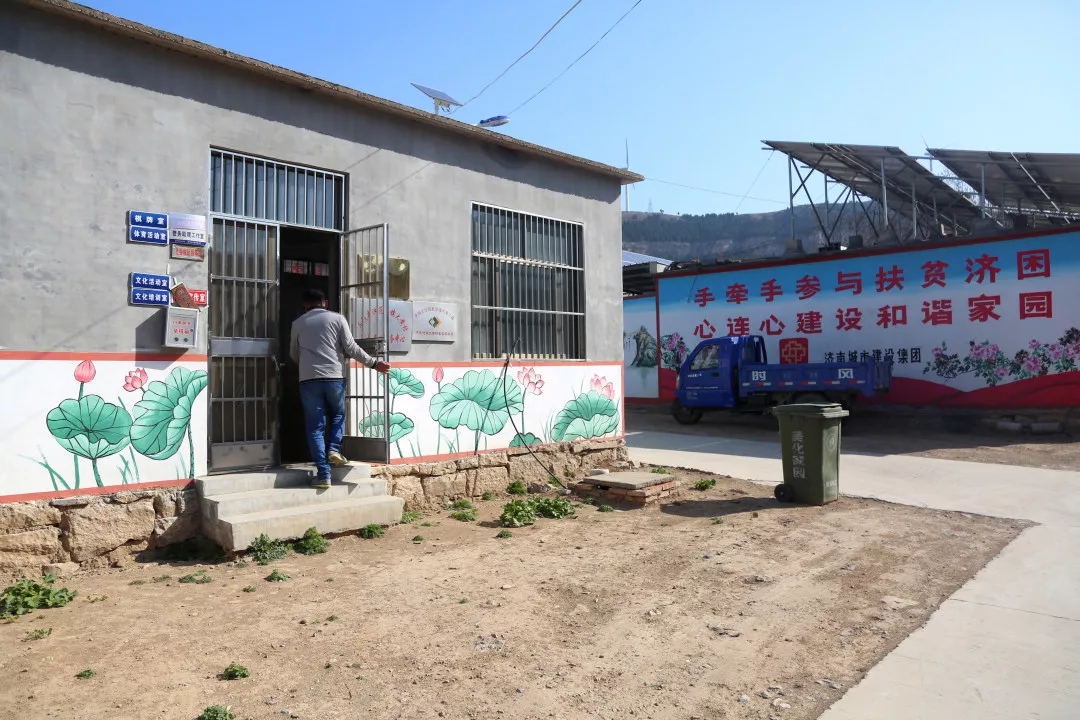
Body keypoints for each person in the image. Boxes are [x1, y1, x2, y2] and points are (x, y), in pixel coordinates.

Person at [289, 289, 390, 488]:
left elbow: (293, 353)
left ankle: (323, 475)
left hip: (309, 380)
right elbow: (351, 348)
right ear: (325, 303)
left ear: (305, 305)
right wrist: (373, 363)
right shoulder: (337, 319)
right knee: (338, 415)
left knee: (315, 427)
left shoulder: (298, 323)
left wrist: (306, 367)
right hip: (335, 377)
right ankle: (334, 449)